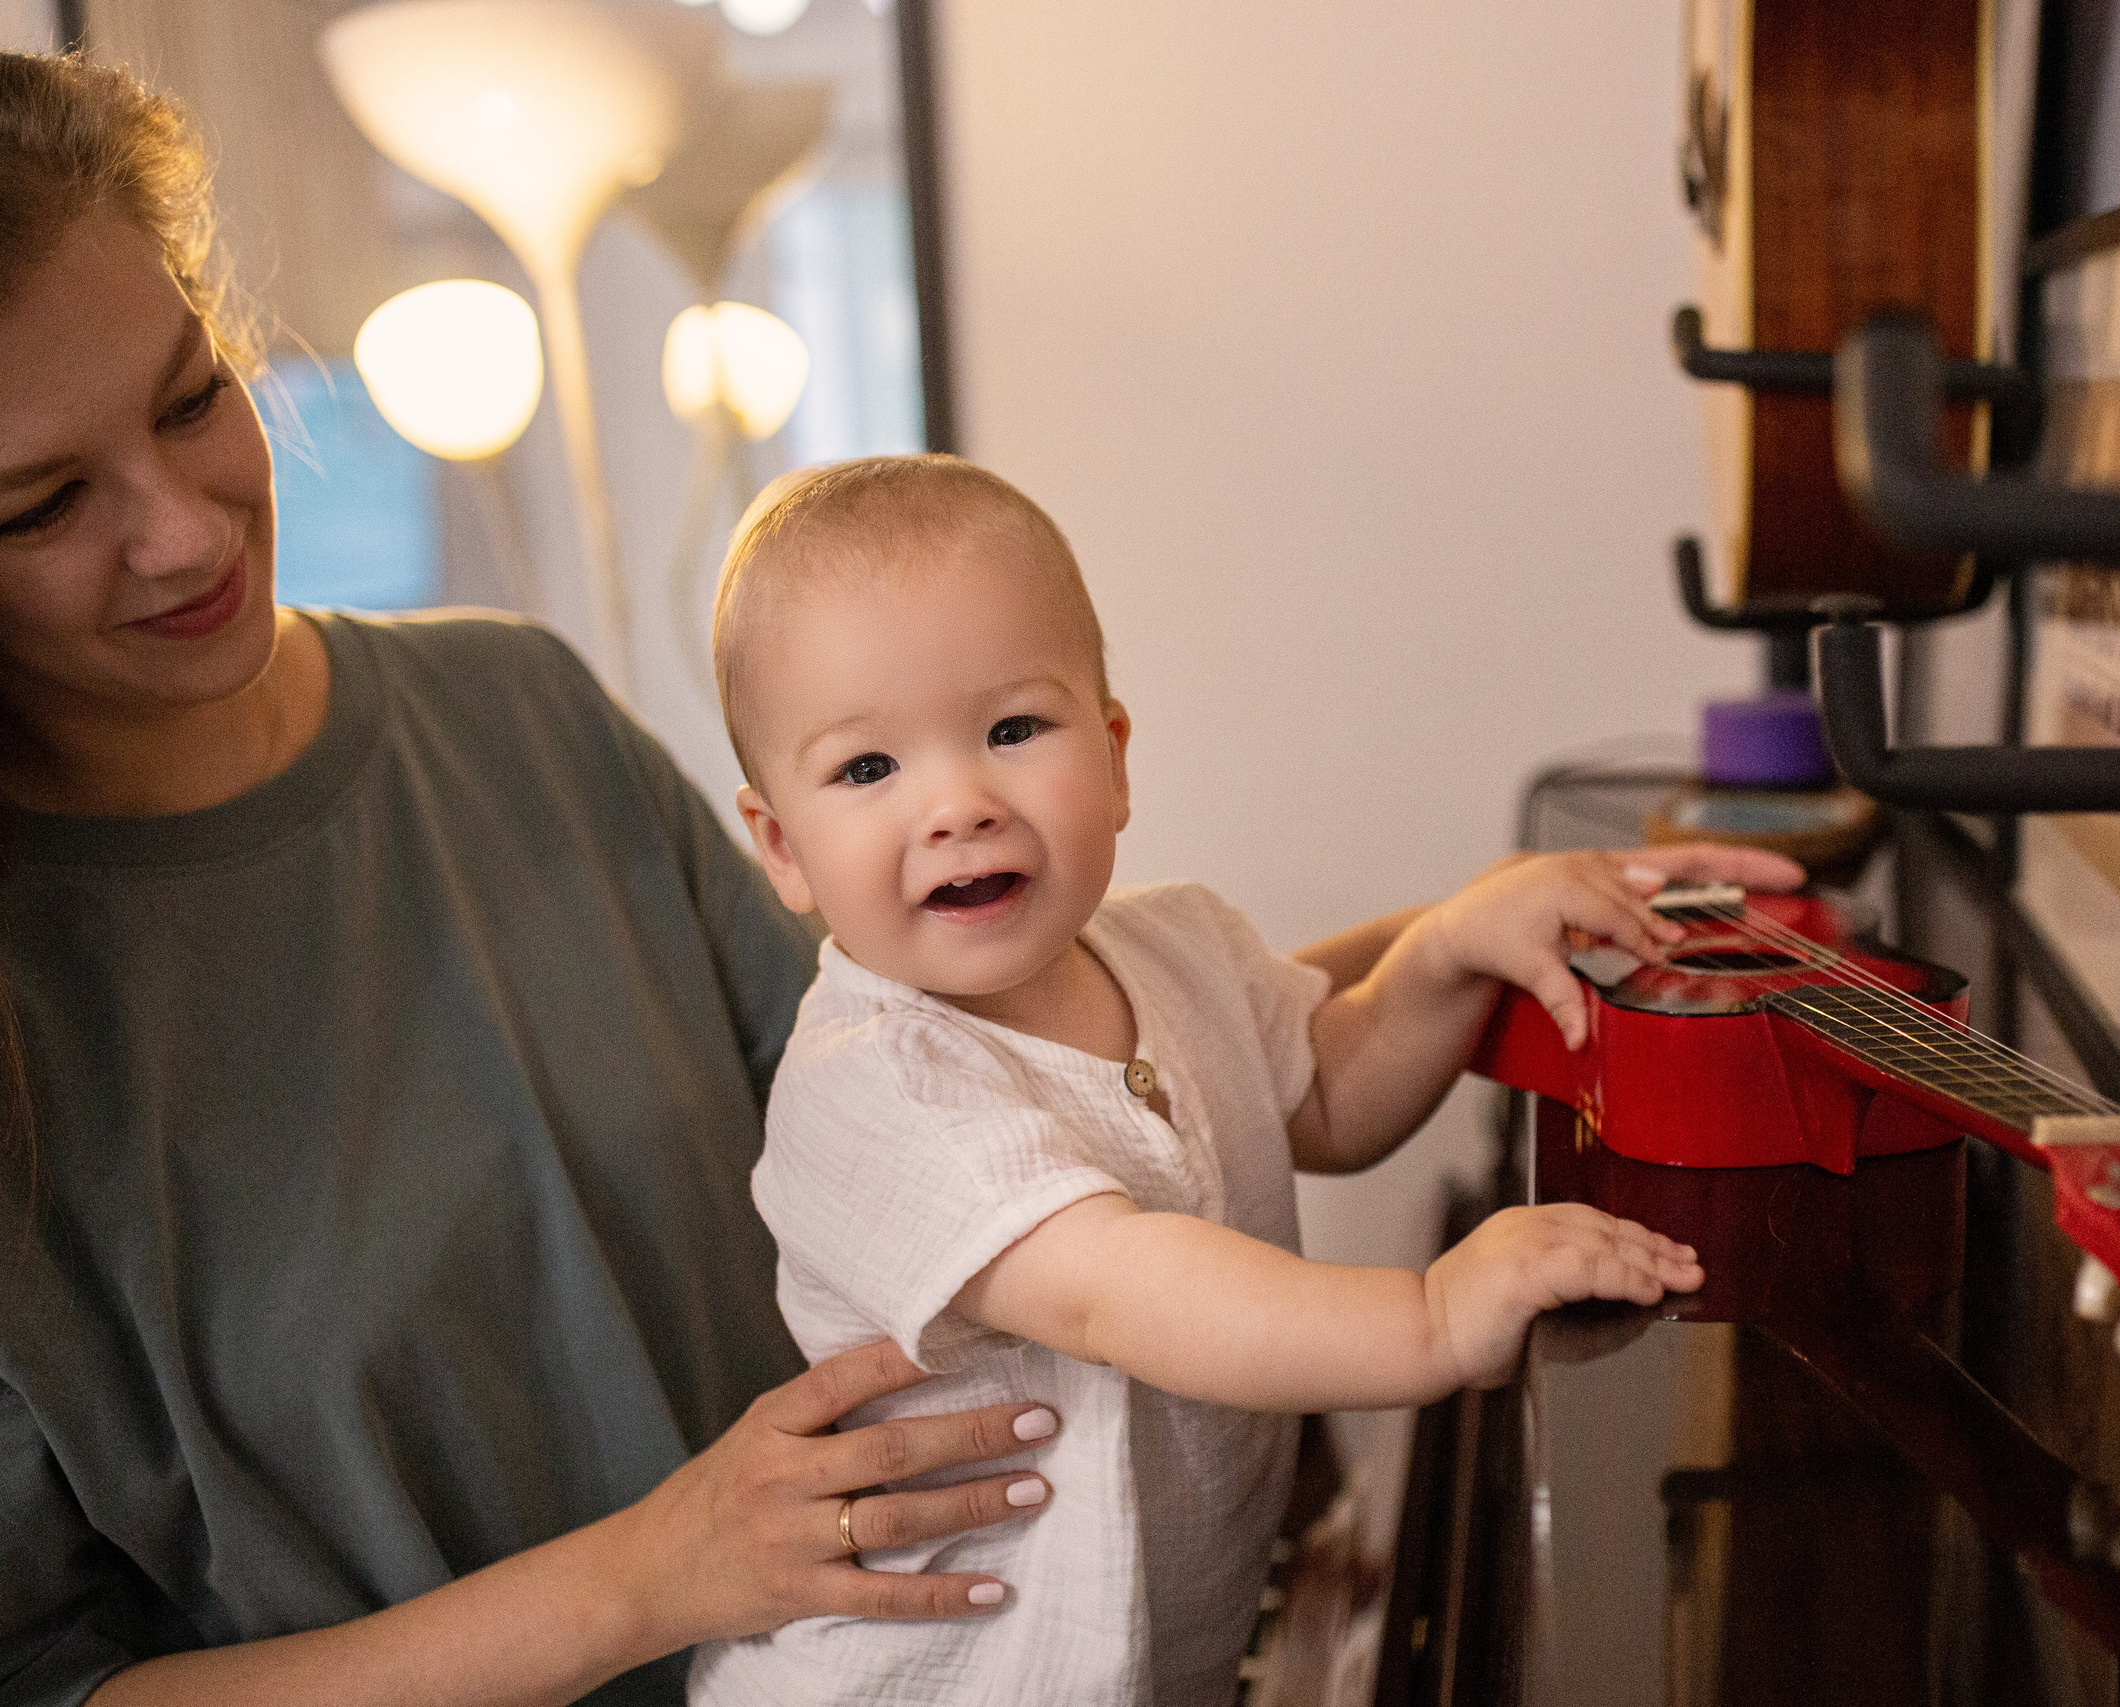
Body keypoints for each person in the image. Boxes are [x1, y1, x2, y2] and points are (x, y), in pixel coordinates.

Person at [0, 52, 1436, 1707]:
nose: (186, 528)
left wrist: (1456, 948)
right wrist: (646, 1576)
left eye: (192, 397)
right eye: (43, 503)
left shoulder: (516, 714)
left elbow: (988, 1081)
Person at [685, 458, 1802, 1707]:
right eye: (866, 771)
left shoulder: (1179, 944)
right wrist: (1431, 1317)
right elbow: (1128, 1293)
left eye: (1012, 730)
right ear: (782, 848)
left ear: (1112, 758)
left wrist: (1445, 949)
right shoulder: (871, 1089)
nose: (956, 803)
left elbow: (1322, 1093)